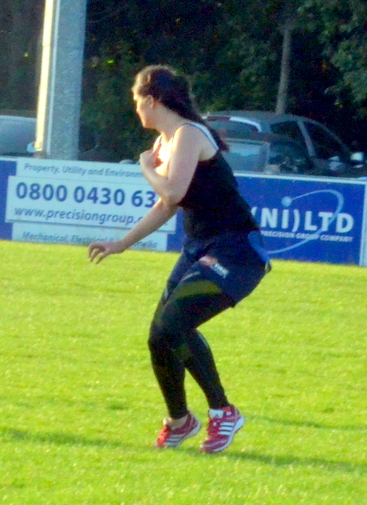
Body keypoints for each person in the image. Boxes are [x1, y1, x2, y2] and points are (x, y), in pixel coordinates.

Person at [88, 65, 267, 453]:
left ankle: (224, 412)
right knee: (159, 337)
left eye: (137, 101)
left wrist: (145, 168)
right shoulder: (168, 141)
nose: (136, 108)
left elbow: (171, 193)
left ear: (152, 101)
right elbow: (167, 206)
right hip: (200, 247)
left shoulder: (187, 134)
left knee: (174, 324)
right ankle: (180, 421)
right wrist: (122, 243)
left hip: (236, 250)